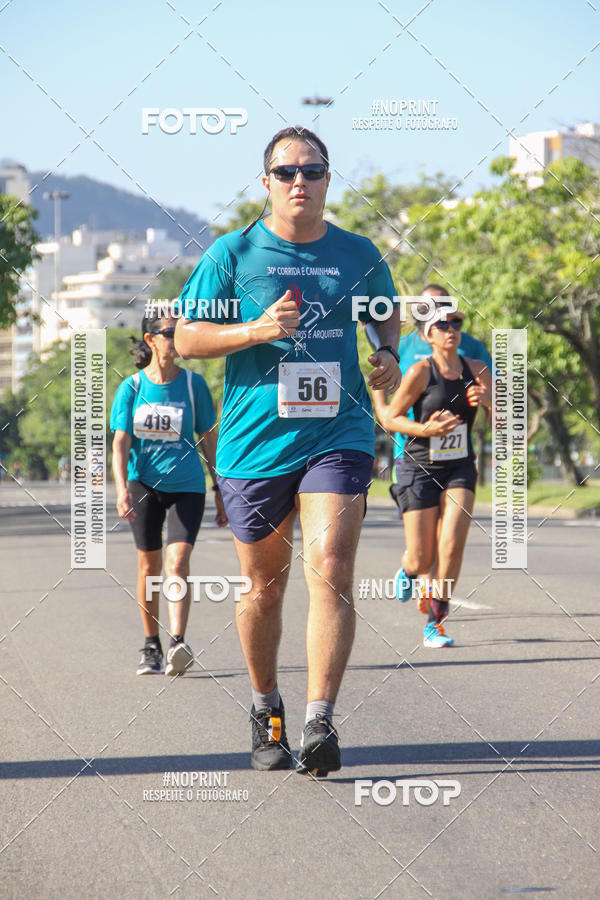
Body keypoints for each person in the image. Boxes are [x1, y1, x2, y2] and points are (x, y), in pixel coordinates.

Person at [175, 125, 400, 776]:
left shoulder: (358, 253)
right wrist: (256, 329)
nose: (300, 181)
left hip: (339, 432)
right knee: (264, 588)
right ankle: (264, 704)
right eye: (286, 172)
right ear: (266, 182)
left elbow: (385, 311)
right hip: (253, 443)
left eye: (313, 170)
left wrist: (385, 352)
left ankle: (318, 721)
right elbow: (185, 337)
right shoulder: (233, 253)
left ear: (329, 179)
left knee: (330, 562)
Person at [110, 310, 227, 676]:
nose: (176, 338)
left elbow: (209, 438)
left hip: (187, 488)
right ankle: (151, 645)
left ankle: (177, 641)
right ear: (151, 340)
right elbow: (120, 444)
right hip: (143, 485)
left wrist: (219, 489)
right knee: (150, 566)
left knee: (177, 563)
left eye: (181, 332)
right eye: (169, 333)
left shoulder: (193, 385)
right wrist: (121, 490)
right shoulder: (131, 388)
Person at [373, 303, 492, 649]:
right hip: (419, 466)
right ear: (429, 334)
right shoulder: (420, 373)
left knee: (452, 544)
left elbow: (505, 425)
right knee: (423, 557)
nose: (451, 329)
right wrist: (426, 428)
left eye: (456, 322)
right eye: (442, 324)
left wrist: (489, 403)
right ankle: (409, 570)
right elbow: (390, 419)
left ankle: (434, 623)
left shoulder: (478, 370)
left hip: (459, 467)